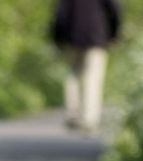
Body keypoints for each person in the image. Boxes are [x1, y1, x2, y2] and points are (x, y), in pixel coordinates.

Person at [50, 0, 122, 132]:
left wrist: (57, 38)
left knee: (73, 75)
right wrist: (114, 34)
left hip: (73, 37)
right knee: (93, 78)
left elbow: (60, 14)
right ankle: (89, 119)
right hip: (97, 36)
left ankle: (73, 114)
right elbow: (114, 9)